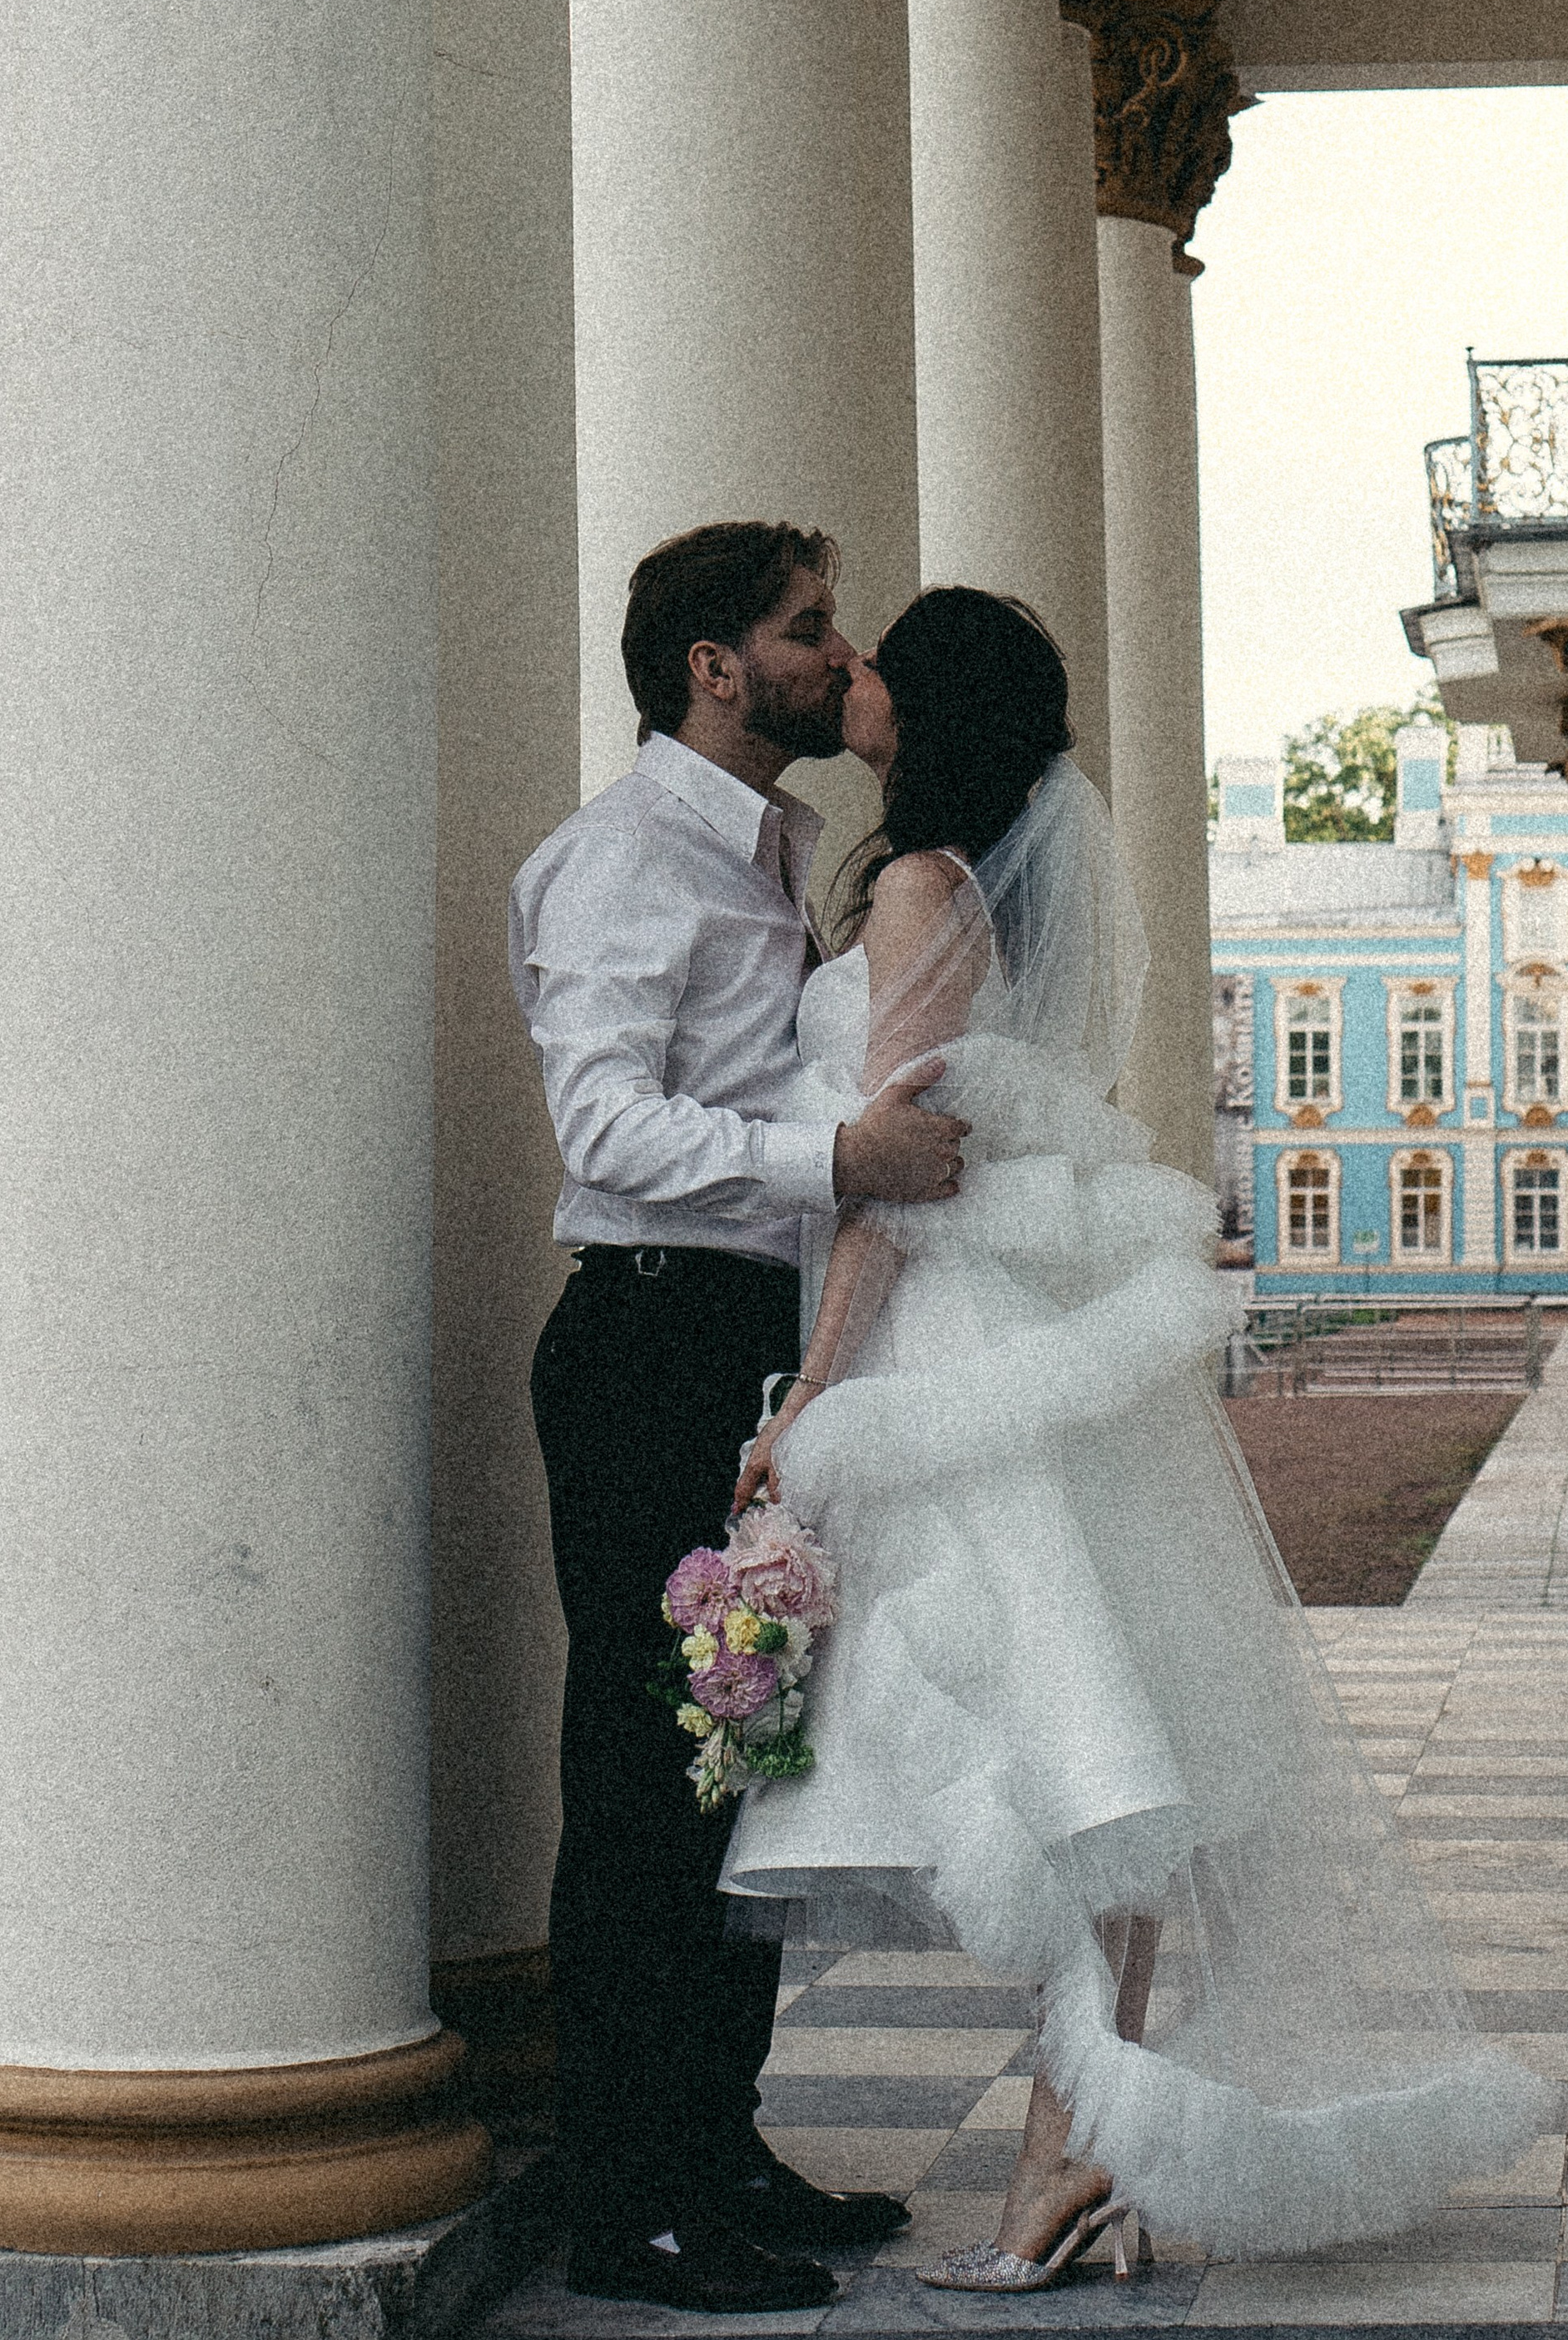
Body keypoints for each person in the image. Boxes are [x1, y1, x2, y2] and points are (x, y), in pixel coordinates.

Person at [722, 586, 1554, 2286]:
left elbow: (896, 1175)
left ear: (926, 708)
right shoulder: (978, 889)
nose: (848, 671)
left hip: (952, 1348)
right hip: (1017, 1337)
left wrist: (811, 1400)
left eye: (874, 660)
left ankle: (1071, 2153)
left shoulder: (918, 886)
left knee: (1075, 1751)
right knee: (1096, 1752)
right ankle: (1075, 2150)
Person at [509, 520, 972, 2314]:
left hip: (744, 1347)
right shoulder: (622, 859)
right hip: (647, 1341)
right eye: (805, 629)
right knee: (646, 1779)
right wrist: (835, 1157)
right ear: (711, 666)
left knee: (740, 1753)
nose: (837, 654)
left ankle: (715, 2142)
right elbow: (603, 1128)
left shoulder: (763, 846)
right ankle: (628, 2204)